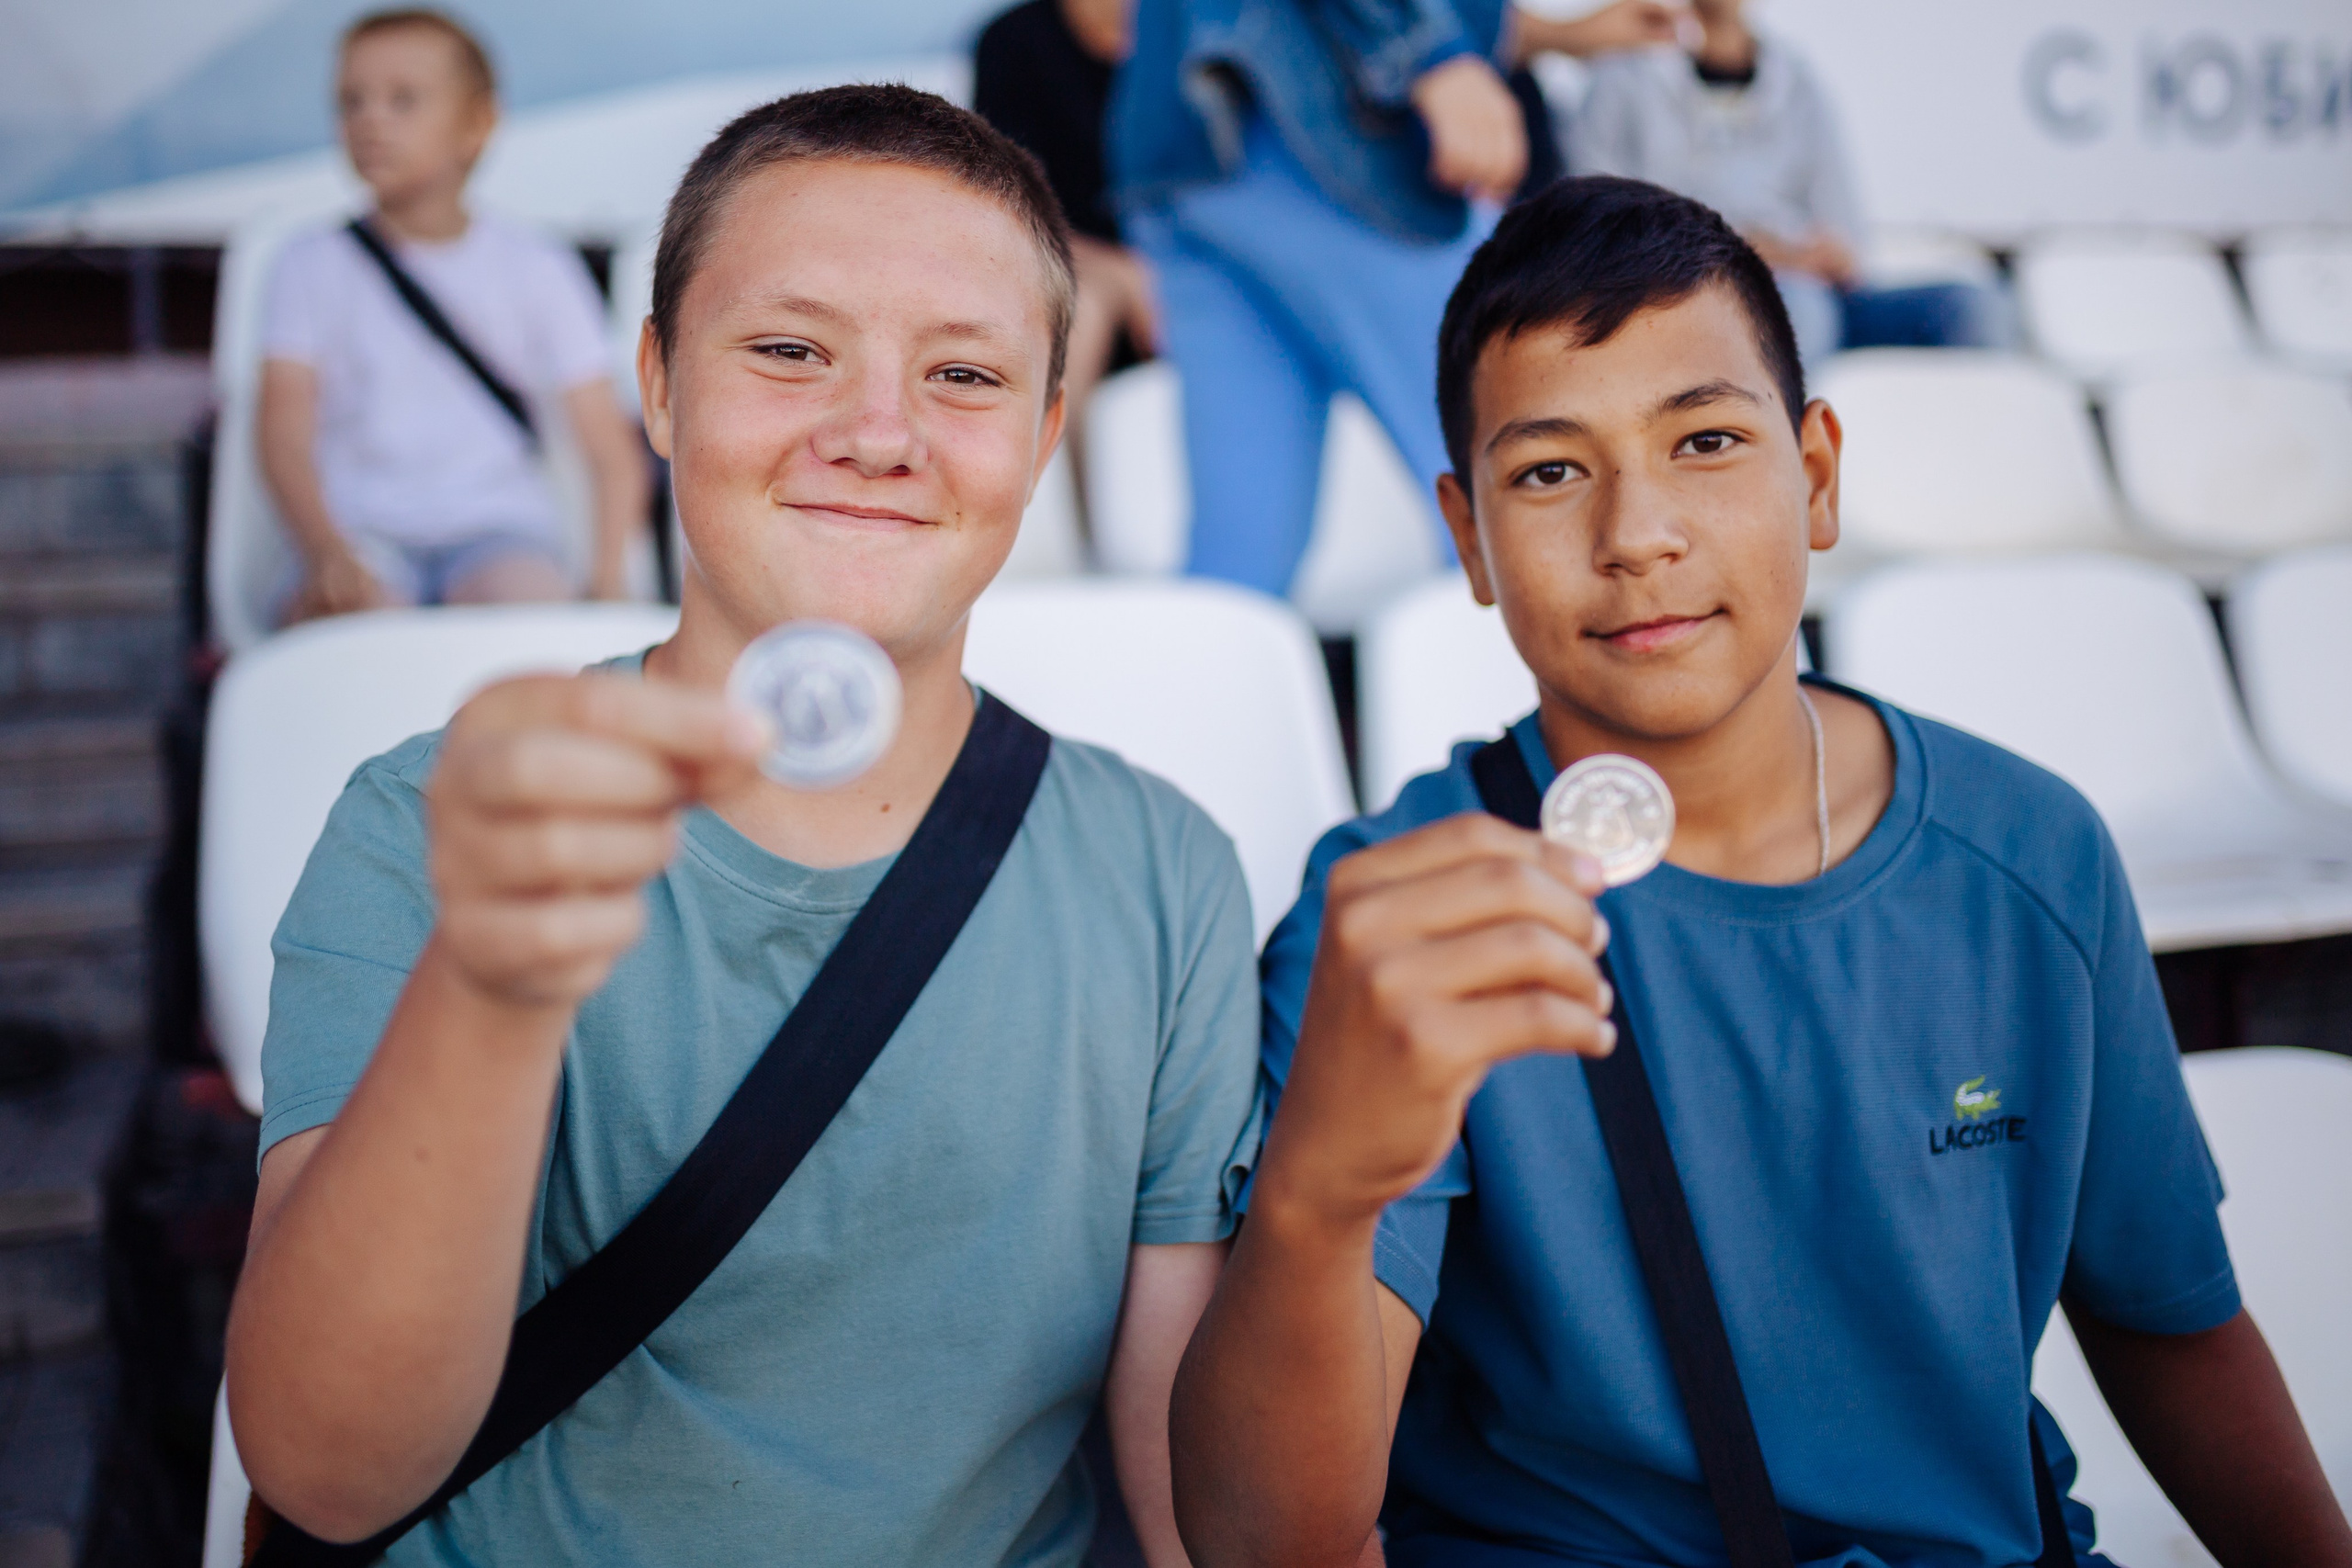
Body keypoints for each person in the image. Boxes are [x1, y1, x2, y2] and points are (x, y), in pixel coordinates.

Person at [1167, 177, 2352, 1568]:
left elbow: (2173, 1325)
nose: (1637, 532)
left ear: (1821, 475)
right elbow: (1267, 1539)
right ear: (1469, 537)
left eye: (1709, 441)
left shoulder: (2031, 854)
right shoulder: (1398, 922)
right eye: (1550, 471)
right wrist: (1319, 1185)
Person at [226, 85, 1261, 1567]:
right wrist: (496, 988)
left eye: (964, 376)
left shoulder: (1164, 875)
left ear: (1046, 437)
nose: (878, 432)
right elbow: (323, 1468)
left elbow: (1193, 1507)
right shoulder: (433, 823)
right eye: (787, 352)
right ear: (656, 385)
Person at [1108, 0, 1678, 598]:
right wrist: (1429, 54)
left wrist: (1550, 35)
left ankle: (1204, 690)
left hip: (1194, 141)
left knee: (1240, 562)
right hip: (1326, 136)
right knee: (1530, 498)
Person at [257, 8, 648, 624]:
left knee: (532, 615)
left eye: (402, 100)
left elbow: (608, 445)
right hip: (361, 536)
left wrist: (605, 578)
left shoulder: (539, 265)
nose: (370, 120)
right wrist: (326, 551)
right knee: (350, 625)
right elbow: (281, 433)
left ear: (479, 123)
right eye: (351, 101)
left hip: (500, 532)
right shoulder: (306, 265)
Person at [1571, 0, 2010, 368]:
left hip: (1814, 293)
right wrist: (1751, 253)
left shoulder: (1797, 81)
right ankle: (1787, 461)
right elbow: (1599, 230)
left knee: (1977, 308)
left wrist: (1827, 254)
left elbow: (1844, 233)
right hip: (1697, 302)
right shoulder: (1622, 78)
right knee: (1796, 310)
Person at [974, 0, 1159, 441]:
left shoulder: (1190, 34)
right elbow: (1008, 205)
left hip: (1191, 266)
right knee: (1077, 313)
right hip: (1070, 266)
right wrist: (1124, 274)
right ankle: (1058, 500)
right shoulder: (1013, 40)